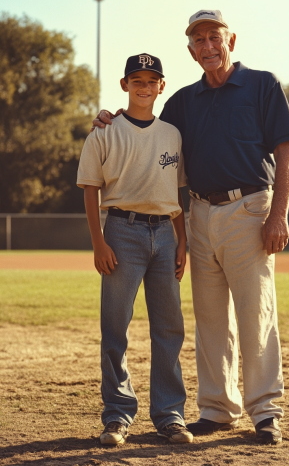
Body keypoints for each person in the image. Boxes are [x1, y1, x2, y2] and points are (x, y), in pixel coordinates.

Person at [93, 10, 289, 445]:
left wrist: (278, 214)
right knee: (209, 317)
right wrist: (110, 119)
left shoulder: (263, 84)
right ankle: (218, 409)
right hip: (200, 213)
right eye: (199, 40)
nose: (207, 45)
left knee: (255, 313)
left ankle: (264, 410)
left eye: (214, 37)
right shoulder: (184, 100)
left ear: (231, 40)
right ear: (190, 51)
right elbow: (148, 128)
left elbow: (285, 153)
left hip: (249, 209)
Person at [77, 54, 193, 446]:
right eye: (137, 80)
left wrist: (183, 241)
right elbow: (91, 189)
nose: (145, 88)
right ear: (124, 84)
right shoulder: (104, 132)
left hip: (164, 235)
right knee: (115, 327)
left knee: (168, 327)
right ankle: (117, 416)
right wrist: (98, 241)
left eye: (152, 81)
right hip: (121, 232)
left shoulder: (172, 134)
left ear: (162, 86)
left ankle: (170, 415)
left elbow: (176, 192)